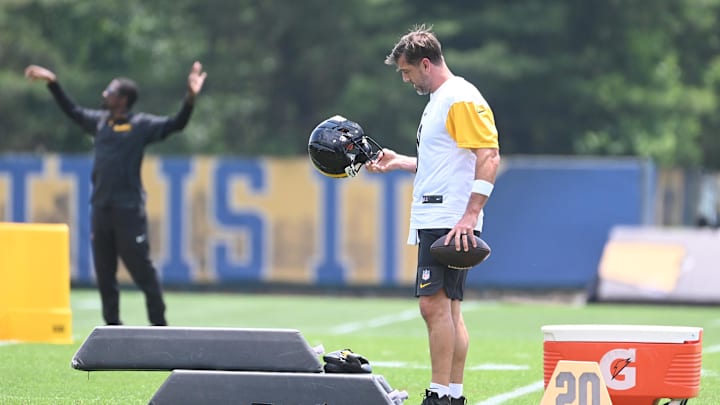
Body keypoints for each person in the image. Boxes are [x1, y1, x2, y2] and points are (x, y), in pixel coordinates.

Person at [366, 26, 500, 405]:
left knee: (433, 306)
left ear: (426, 64)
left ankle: (440, 394)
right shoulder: (442, 99)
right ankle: (452, 394)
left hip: (449, 217)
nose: (406, 79)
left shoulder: (459, 96)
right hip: (443, 213)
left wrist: (470, 215)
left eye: (407, 72)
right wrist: (398, 162)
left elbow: (488, 155)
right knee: (450, 310)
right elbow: (441, 162)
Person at [24, 61, 207, 326]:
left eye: (110, 92)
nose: (104, 95)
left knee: (142, 271)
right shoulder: (99, 123)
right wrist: (53, 83)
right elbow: (73, 111)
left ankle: (160, 327)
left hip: (128, 210)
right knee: (104, 274)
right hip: (101, 208)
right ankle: (112, 331)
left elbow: (175, 124)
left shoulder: (140, 125)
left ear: (123, 99)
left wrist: (189, 99)